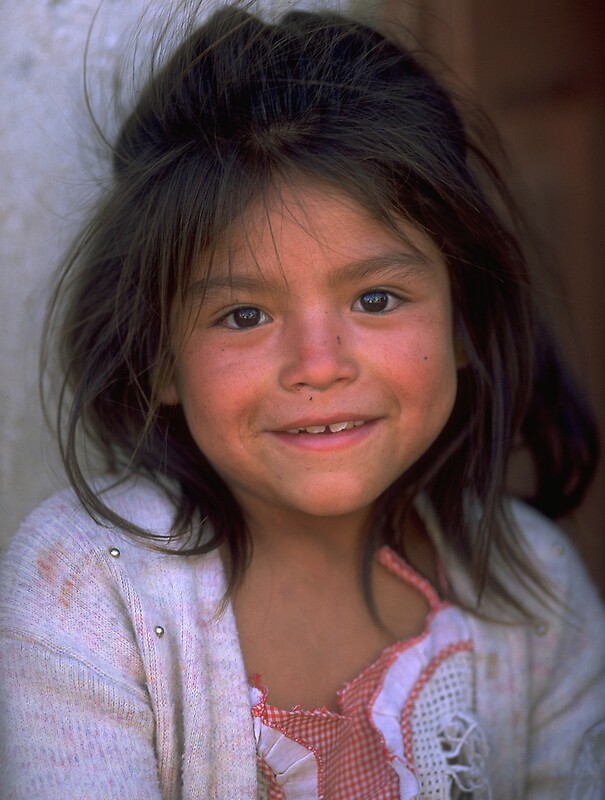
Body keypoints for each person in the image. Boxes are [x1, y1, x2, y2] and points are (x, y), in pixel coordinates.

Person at [0, 3, 604, 798]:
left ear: (467, 321)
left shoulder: (534, 588)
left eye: (378, 299)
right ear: (159, 361)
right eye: (243, 316)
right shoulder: (90, 586)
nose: (317, 367)